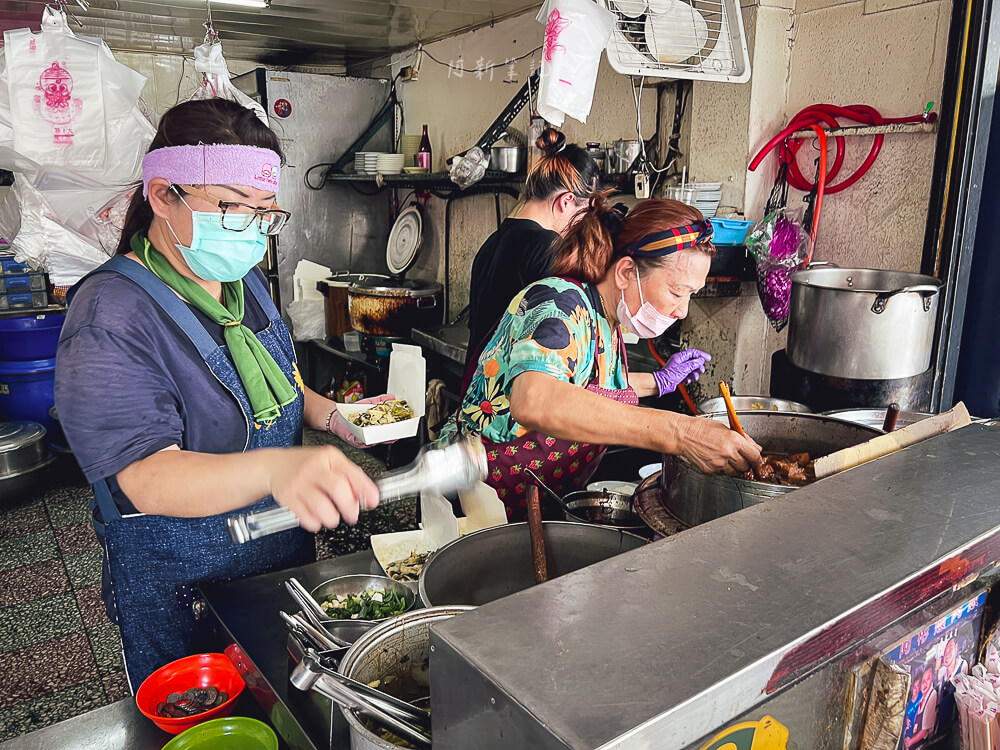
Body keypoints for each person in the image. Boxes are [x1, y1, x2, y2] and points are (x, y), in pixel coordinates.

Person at [54, 99, 384, 689]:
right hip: (181, 583)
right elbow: (146, 478)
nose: (251, 230)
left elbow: (280, 380)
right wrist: (278, 467)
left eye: (264, 213)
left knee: (287, 699)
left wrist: (333, 416)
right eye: (233, 208)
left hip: (279, 558)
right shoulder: (110, 314)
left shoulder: (245, 282)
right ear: (162, 196)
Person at [446, 195, 761, 520]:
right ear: (626, 272)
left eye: (690, 296)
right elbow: (535, 400)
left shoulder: (607, 322)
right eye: (677, 292)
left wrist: (660, 381)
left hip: (535, 501)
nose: (682, 311)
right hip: (476, 499)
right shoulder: (560, 303)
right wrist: (682, 433)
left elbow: (582, 390)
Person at [464, 128, 602, 375]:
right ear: (566, 201)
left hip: (477, 394)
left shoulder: (494, 241)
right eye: (583, 214)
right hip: (504, 401)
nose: (581, 224)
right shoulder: (546, 247)